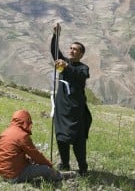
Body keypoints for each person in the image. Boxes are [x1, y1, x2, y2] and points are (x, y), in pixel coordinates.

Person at [50, 24, 92, 176]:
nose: (71, 50)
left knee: (78, 140)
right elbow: (54, 52)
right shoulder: (63, 62)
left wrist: (66, 66)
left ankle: (83, 168)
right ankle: (65, 163)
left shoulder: (83, 68)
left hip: (75, 110)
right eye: (70, 48)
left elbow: (80, 76)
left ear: (81, 54)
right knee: (61, 137)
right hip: (62, 108)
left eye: (75, 49)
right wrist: (56, 35)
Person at [0, 109, 62, 183]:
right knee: (45, 169)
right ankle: (60, 176)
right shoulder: (22, 136)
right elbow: (36, 156)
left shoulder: (4, 132)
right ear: (26, 121)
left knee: (31, 161)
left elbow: (11, 153)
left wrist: (28, 160)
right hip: (13, 176)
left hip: (2, 173)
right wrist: (49, 165)